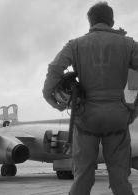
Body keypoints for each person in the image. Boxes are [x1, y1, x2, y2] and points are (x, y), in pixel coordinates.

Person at [42, 2, 138, 195]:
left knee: (83, 176)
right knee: (120, 179)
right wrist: (135, 110)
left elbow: (54, 69)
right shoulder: (129, 44)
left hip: (86, 118)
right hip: (117, 118)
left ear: (90, 22)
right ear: (112, 21)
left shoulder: (75, 45)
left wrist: (49, 97)